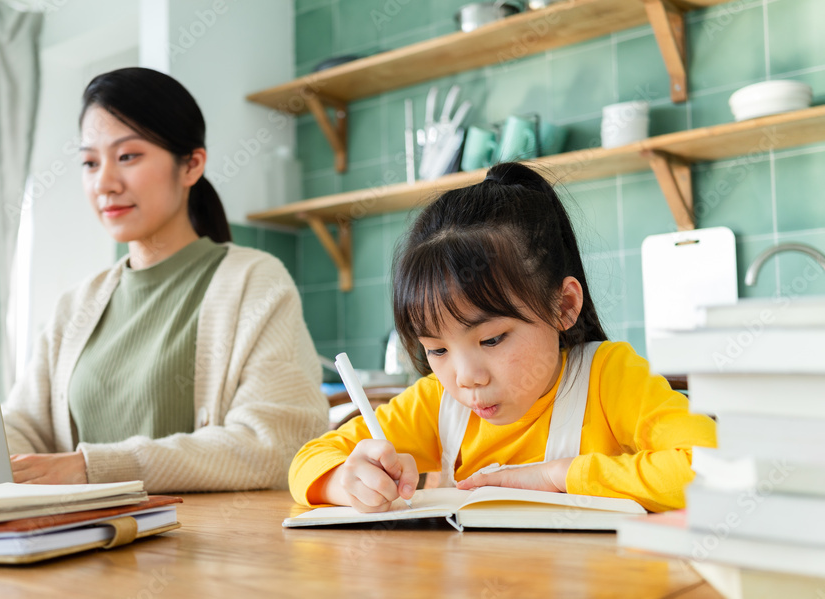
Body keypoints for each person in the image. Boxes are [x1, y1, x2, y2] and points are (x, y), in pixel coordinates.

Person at [289, 162, 716, 513]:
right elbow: (307, 461)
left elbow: (716, 469)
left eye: (491, 340)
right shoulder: (438, 401)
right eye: (437, 349)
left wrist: (557, 476)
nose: (465, 378)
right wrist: (345, 482)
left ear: (563, 306)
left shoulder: (607, 378)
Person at [3, 67, 328, 493]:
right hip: (82, 548)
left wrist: (94, 468)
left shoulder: (254, 281)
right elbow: (24, 424)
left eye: (128, 156)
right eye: (89, 162)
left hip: (209, 552)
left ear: (191, 165)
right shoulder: (77, 305)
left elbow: (275, 445)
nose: (104, 183)